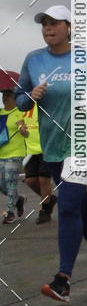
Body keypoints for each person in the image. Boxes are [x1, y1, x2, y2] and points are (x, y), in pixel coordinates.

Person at [16, 5, 87, 303]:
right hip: (53, 145)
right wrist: (29, 97)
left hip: (83, 143)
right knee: (81, 206)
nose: (48, 28)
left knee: (69, 207)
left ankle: (63, 279)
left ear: (69, 27)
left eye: (54, 23)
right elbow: (19, 99)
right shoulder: (33, 60)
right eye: (44, 24)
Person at [18, 101, 57, 223]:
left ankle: (45, 211)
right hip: (31, 149)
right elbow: (19, 119)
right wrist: (20, 127)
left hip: (47, 147)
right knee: (30, 181)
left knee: (43, 179)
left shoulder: (47, 100)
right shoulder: (23, 102)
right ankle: (50, 199)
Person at [0, 77, 27, 224]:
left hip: (15, 153)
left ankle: (10, 212)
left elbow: (23, 129)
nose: (5, 98)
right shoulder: (0, 113)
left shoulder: (19, 112)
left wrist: (23, 130)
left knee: (10, 182)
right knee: (1, 184)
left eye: (8, 95)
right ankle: (18, 199)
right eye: (3, 95)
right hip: (1, 153)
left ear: (14, 97)